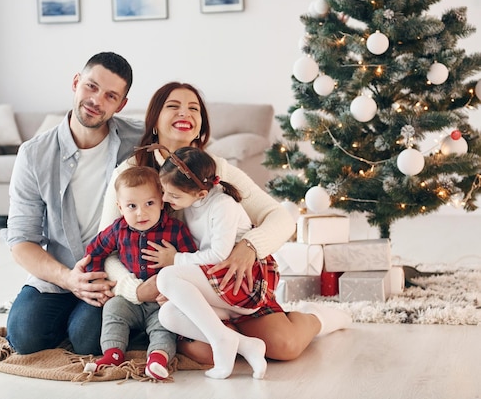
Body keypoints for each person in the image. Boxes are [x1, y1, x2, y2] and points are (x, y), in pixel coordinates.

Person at [99, 81, 352, 367]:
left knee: (286, 345)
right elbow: (106, 247)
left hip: (230, 280)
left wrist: (249, 247)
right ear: (154, 120)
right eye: (173, 106)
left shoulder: (215, 169)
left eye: (193, 109)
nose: (185, 113)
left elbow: (280, 217)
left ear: (200, 127)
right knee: (204, 354)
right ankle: (229, 334)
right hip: (177, 292)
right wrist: (135, 289)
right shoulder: (131, 172)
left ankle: (315, 317)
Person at [0, 51, 144, 355]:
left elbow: (183, 146)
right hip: (58, 271)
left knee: (88, 341)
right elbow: (21, 240)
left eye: (110, 96)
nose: (96, 101)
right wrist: (69, 279)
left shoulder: (138, 140)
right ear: (76, 82)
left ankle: (95, 322)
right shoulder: (34, 154)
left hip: (113, 274)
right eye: (91, 87)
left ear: (121, 105)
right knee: (23, 337)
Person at [139, 144, 274, 379]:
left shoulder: (222, 206)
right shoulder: (191, 201)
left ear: (201, 193)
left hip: (244, 282)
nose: (164, 198)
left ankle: (220, 340)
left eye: (173, 195)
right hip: (221, 283)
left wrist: (175, 259)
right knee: (168, 314)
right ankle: (245, 345)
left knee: (168, 276)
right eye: (164, 191)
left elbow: (219, 256)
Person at [82, 166, 197, 380]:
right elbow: (95, 251)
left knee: (166, 323)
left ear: (162, 202)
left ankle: (158, 357)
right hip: (129, 300)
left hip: (162, 300)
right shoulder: (118, 229)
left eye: (149, 203)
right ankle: (113, 353)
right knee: (113, 310)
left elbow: (192, 265)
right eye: (131, 206)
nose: (141, 213)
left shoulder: (176, 230)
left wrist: (177, 291)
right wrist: (98, 282)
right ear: (120, 207)